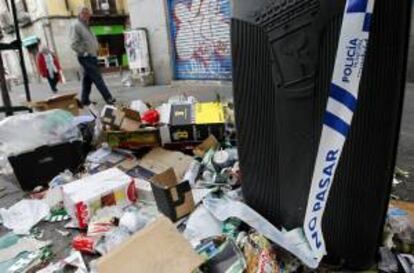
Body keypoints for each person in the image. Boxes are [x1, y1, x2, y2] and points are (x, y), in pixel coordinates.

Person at [70, 6, 116, 105]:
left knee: (88, 80)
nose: (88, 16)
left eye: (88, 14)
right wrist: (84, 52)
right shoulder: (76, 25)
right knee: (97, 77)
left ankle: (84, 100)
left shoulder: (86, 25)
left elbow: (89, 41)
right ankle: (108, 97)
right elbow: (73, 43)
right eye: (85, 13)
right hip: (86, 57)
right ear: (80, 14)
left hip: (92, 56)